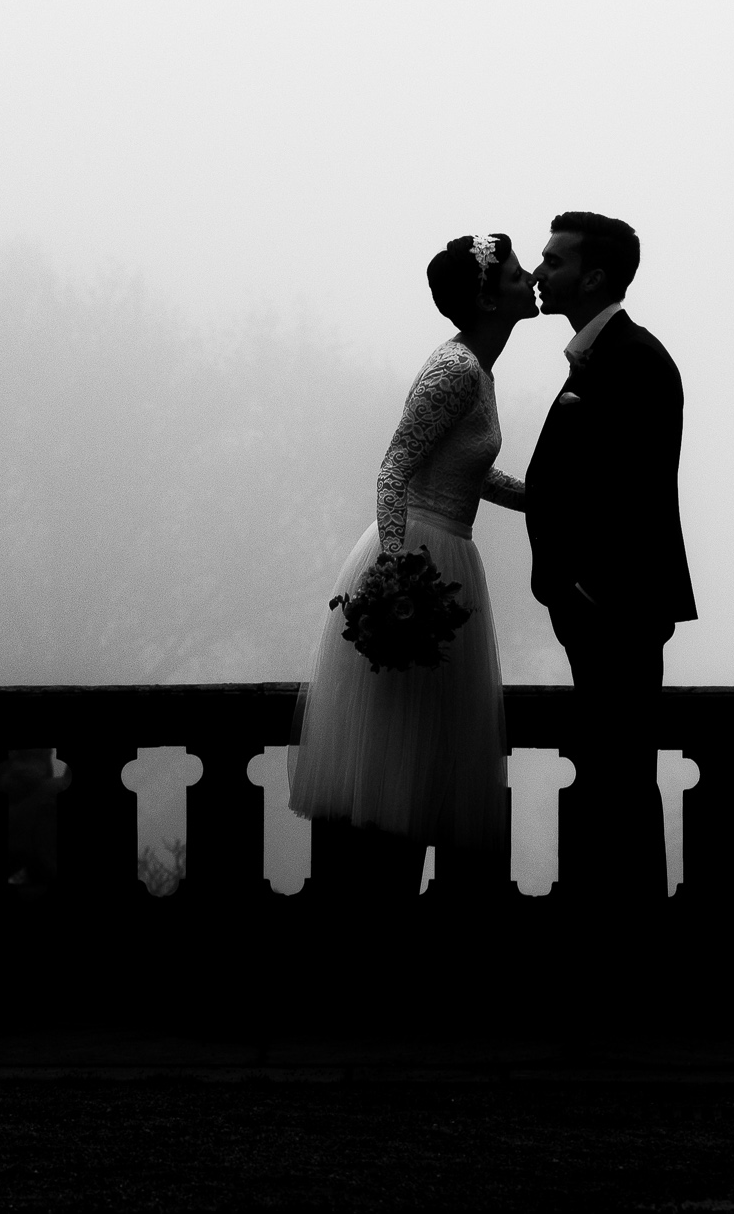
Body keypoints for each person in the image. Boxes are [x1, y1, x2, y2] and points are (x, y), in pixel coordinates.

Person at [288, 233, 539, 897]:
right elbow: (396, 466)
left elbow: (470, 473)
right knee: (401, 757)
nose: (532, 276)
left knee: (429, 763)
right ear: (488, 296)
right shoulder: (455, 369)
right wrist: (397, 572)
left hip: (451, 553)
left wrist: (545, 500)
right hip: (419, 558)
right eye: (517, 272)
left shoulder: (479, 370)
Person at [524, 212, 696, 903]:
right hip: (600, 609)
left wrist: (583, 590)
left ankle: (629, 948)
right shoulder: (604, 355)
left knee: (620, 779)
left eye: (553, 260)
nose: (539, 272)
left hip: (616, 611)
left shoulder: (635, 359)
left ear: (594, 275)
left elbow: (633, 490)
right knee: (609, 775)